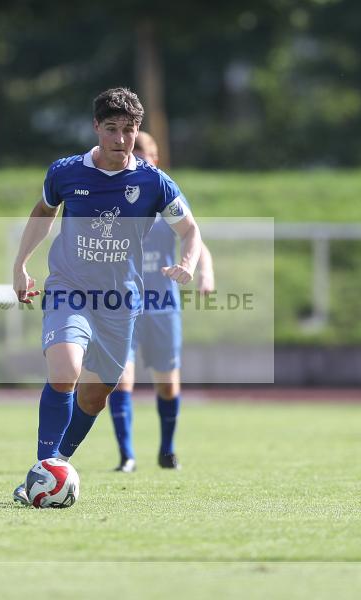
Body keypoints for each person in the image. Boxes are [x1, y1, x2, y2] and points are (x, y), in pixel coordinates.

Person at [11, 88, 203, 505]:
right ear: (96, 127)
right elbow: (43, 213)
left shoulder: (153, 181)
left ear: (138, 131)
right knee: (65, 370)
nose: (120, 139)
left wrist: (187, 262)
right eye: (112, 129)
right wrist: (21, 264)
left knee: (95, 397)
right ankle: (41, 473)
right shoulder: (66, 173)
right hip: (69, 288)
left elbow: (189, 229)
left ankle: (57, 463)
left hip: (120, 302)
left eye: (129, 130)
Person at [108, 132, 215, 472]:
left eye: (147, 153)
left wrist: (204, 273)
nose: (141, 159)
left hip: (161, 306)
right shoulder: (113, 198)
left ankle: (167, 450)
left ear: (156, 158)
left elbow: (195, 239)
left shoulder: (167, 196)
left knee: (167, 384)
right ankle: (127, 455)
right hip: (122, 306)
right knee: (119, 379)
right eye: (135, 154)